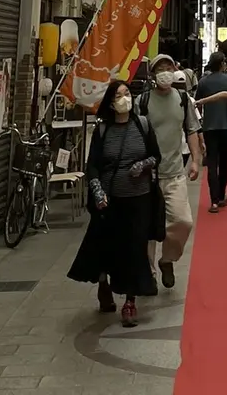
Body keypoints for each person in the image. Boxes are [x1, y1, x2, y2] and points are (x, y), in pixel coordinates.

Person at [68, 78, 162, 328]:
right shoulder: (102, 130)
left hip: (139, 198)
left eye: (127, 94)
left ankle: (130, 302)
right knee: (105, 246)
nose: (125, 99)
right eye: (119, 96)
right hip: (109, 200)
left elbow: (156, 156)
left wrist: (141, 165)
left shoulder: (142, 125)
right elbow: (93, 165)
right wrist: (98, 191)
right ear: (111, 102)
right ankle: (103, 284)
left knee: (134, 248)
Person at [140, 54, 202, 289]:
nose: (164, 72)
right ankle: (150, 273)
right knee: (147, 228)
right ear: (153, 74)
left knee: (183, 221)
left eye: (168, 67)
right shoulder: (142, 101)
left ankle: (167, 260)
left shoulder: (183, 99)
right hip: (147, 176)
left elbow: (192, 130)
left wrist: (196, 160)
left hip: (174, 173)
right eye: (160, 69)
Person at [194, 51, 227, 212]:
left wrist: (199, 124)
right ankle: (221, 195)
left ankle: (213, 201)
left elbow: (197, 104)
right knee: (224, 163)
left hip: (209, 127)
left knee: (212, 163)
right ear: (222, 64)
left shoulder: (203, 82)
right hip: (226, 127)